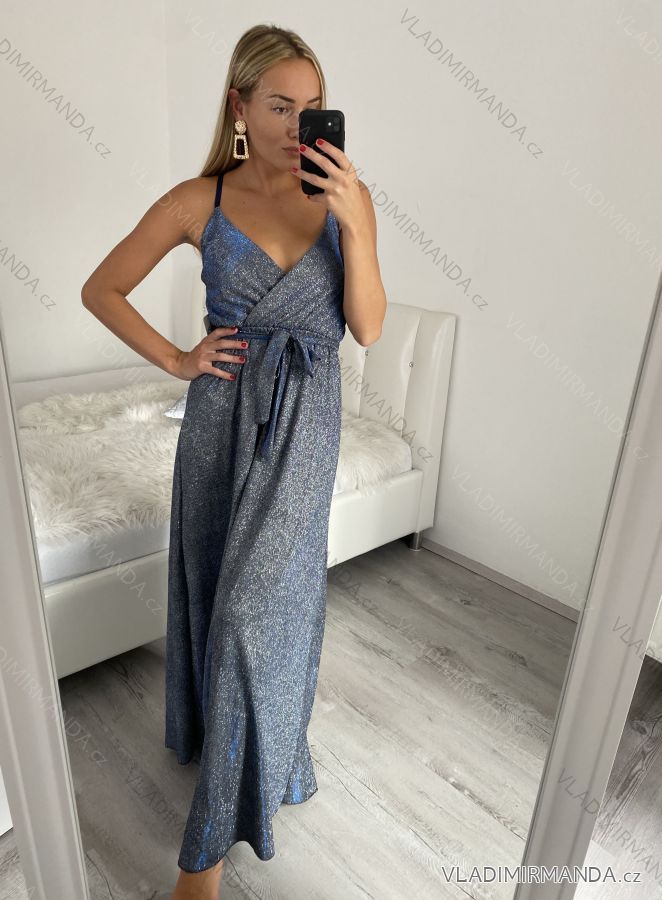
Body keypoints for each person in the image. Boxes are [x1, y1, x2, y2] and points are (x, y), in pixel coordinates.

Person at [81, 23, 386, 899]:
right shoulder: (199, 200)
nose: (298, 125)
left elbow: (368, 327)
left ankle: (202, 862)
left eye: (311, 107)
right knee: (218, 594)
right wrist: (180, 359)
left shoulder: (346, 198)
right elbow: (102, 288)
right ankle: (234, 745)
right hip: (219, 422)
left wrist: (357, 227)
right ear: (239, 107)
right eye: (280, 105)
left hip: (305, 427)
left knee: (257, 615)